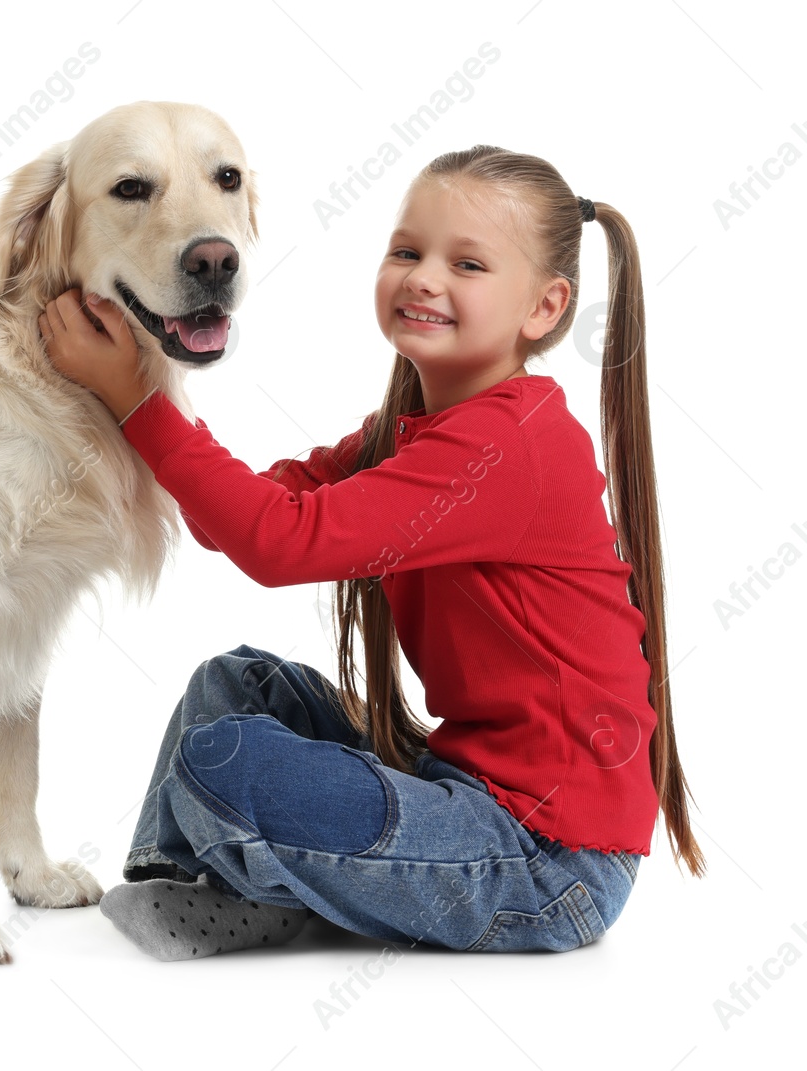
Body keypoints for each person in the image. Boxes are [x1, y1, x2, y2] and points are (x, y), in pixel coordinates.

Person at [37, 144, 704, 960]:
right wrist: (138, 383)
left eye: (467, 263)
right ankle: (198, 881)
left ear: (544, 307)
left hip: (550, 863)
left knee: (228, 760)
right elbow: (244, 513)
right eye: (407, 251)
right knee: (234, 684)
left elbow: (277, 544)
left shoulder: (512, 446)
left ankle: (258, 884)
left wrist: (137, 402)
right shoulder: (415, 432)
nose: (424, 277)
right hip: (462, 789)